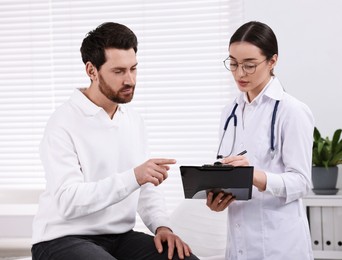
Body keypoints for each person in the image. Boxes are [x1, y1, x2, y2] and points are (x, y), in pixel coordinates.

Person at [31, 22, 198, 260]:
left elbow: (145, 186)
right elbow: (68, 201)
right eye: (119, 71)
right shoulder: (63, 122)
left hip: (119, 237)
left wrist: (162, 226)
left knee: (184, 258)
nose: (129, 80)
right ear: (92, 71)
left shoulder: (132, 119)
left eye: (133, 69)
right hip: (62, 238)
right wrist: (134, 177)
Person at [206, 21, 314, 260]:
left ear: (272, 61)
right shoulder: (229, 112)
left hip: (279, 244)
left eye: (249, 65)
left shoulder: (292, 111)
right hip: (238, 243)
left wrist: (254, 176)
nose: (239, 73)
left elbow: (302, 182)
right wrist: (218, 198)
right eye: (233, 64)